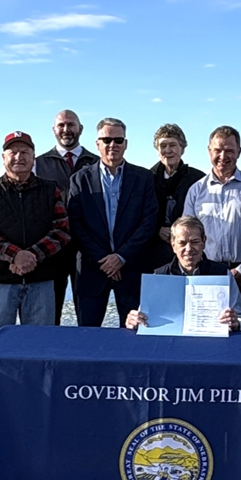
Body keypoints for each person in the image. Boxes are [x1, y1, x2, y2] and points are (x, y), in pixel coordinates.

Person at [0, 131, 71, 338]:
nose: (19, 157)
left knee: (40, 346)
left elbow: (62, 230)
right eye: (13, 152)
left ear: (33, 157)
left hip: (41, 282)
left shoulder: (50, 190)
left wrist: (33, 256)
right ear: (3, 158)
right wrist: (14, 255)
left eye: (25, 152)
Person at [67, 118, 158, 327]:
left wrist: (121, 257)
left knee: (134, 337)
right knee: (87, 337)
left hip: (132, 267)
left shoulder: (143, 178)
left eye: (118, 140)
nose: (112, 145)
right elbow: (76, 224)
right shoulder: (80, 179)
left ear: (125, 144)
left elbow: (148, 222)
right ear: (97, 144)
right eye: (106, 140)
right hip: (92, 269)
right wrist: (105, 260)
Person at [182, 125, 241, 317]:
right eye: (218, 150)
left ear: (239, 152)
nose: (223, 156)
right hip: (208, 277)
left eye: (229, 151)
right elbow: (187, 236)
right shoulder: (196, 191)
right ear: (209, 151)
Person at [126, 216, 241, 331]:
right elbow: (143, 317)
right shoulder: (158, 277)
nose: (189, 249)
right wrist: (134, 321)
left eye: (194, 242)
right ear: (173, 245)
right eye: (182, 243)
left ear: (204, 242)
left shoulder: (222, 274)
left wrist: (236, 322)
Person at [34, 110, 100, 324]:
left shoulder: (97, 163)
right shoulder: (39, 164)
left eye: (71, 125)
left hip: (87, 247)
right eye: (61, 125)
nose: (66, 130)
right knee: (50, 311)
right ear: (54, 130)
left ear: (80, 128)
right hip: (52, 248)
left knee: (87, 311)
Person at [147, 124, 204, 271]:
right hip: (152, 253)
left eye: (172, 145)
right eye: (163, 146)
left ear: (182, 148)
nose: (167, 150)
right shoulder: (146, 179)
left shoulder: (198, 179)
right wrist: (157, 230)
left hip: (189, 254)